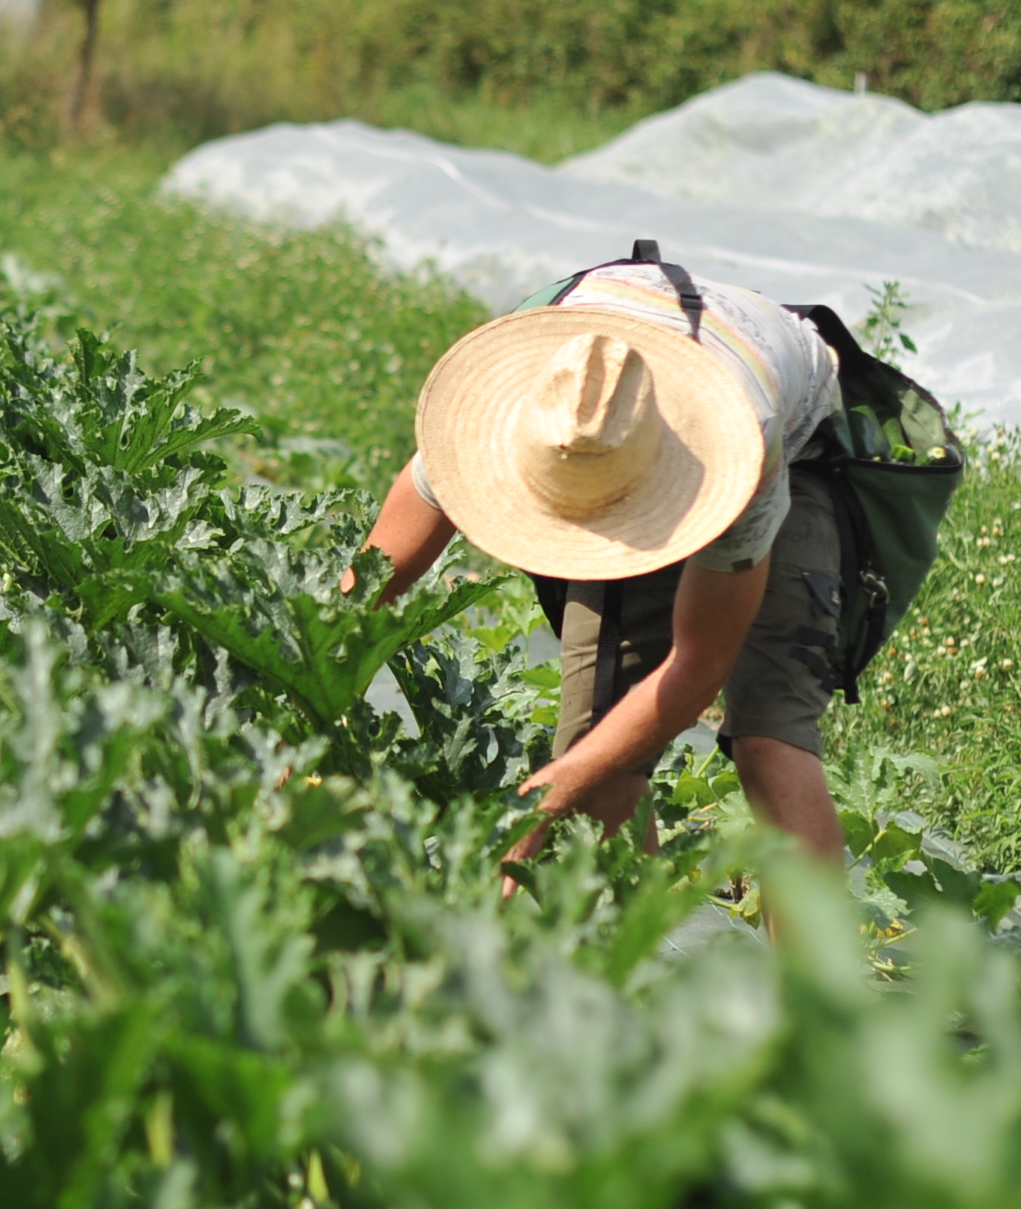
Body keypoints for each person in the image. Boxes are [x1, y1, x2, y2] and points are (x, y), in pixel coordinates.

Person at [358, 250, 851, 905]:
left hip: (790, 432)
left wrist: (549, 790)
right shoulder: (511, 406)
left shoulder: (741, 445)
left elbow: (697, 664)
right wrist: (304, 685)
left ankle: (823, 999)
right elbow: (367, 585)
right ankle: (629, 963)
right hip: (632, 367)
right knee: (598, 750)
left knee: (771, 733)